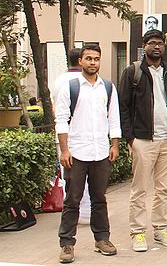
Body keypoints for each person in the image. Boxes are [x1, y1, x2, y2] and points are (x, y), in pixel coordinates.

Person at [119, 30, 167, 251]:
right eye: (152, 43)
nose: (157, 47)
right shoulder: (133, 72)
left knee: (163, 188)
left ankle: (160, 229)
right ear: (144, 45)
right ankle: (138, 233)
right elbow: (123, 107)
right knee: (139, 189)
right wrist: (131, 139)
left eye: (160, 43)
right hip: (143, 140)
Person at [55, 44, 120, 263]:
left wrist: (115, 145)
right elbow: (61, 120)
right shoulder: (71, 87)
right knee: (72, 200)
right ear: (80, 61)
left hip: (100, 153)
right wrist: (64, 150)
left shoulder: (108, 88)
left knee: (99, 199)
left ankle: (102, 239)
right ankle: (67, 244)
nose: (93, 62)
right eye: (89, 58)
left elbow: (114, 119)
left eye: (96, 59)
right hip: (76, 153)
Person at [52, 47, 92, 226]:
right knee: (88, 176)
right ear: (80, 61)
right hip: (84, 135)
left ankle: (73, 212)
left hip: (64, 135)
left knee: (68, 176)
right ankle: (86, 211)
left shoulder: (59, 80)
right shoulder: (82, 81)